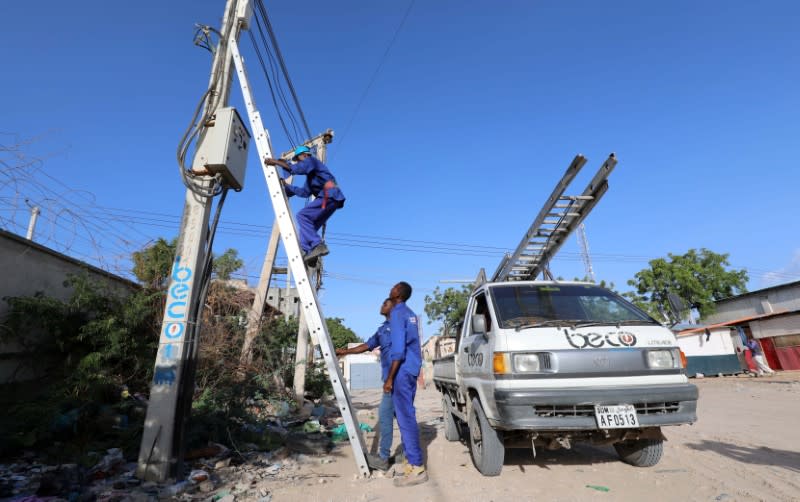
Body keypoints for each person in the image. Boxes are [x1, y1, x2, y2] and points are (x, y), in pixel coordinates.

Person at [335, 298, 395, 471]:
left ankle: (385, 458)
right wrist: (345, 352)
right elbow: (367, 345)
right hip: (390, 381)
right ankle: (404, 455)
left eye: (385, 304)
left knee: (386, 417)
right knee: (396, 418)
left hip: (398, 381)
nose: (381, 306)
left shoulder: (400, 327)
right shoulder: (382, 329)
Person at [264, 146, 345, 263]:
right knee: (307, 228)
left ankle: (318, 245)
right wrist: (288, 187)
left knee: (302, 216)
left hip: (329, 194)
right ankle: (310, 254)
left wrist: (276, 162)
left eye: (298, 159)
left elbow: (295, 168)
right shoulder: (311, 178)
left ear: (305, 155)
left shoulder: (311, 161)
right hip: (332, 200)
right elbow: (305, 192)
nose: (299, 162)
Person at [385, 281, 428, 487]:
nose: (391, 288)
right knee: (406, 416)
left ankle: (417, 467)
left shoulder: (397, 313)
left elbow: (399, 350)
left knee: (405, 417)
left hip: (402, 370)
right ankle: (411, 463)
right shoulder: (410, 313)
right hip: (410, 368)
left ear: (399, 293)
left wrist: (390, 378)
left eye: (394, 287)